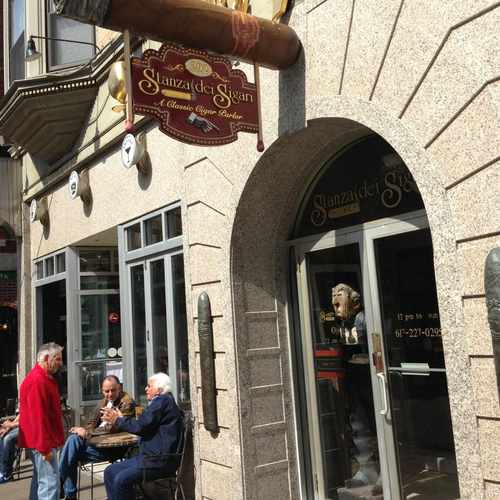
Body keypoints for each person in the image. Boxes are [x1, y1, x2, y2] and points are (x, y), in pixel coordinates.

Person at [102, 372, 183, 500]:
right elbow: (145, 425)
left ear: (159, 390)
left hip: (158, 460)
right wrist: (121, 419)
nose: (146, 389)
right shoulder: (164, 401)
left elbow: (140, 426)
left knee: (121, 480)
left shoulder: (161, 401)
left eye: (149, 386)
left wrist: (118, 420)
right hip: (149, 457)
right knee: (110, 471)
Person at [59, 375, 136, 500]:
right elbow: (90, 423)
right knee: (72, 444)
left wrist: (87, 433)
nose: (109, 394)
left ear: (119, 388)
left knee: (69, 450)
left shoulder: (126, 403)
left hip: (113, 449)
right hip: (97, 445)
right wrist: (84, 431)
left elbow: (112, 428)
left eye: (113, 390)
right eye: (106, 391)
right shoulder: (103, 402)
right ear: (102, 390)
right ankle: (68, 492)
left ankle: (66, 489)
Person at [18, 342, 65, 500]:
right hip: (43, 443)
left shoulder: (43, 379)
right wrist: (44, 448)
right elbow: (37, 417)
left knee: (42, 482)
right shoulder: (38, 381)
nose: (60, 363)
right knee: (50, 484)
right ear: (45, 358)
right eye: (57, 359)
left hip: (43, 441)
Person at [0, 413, 19, 483]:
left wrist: (11, 425)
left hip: (29, 427)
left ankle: (5, 473)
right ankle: (4, 471)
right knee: (2, 435)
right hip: (20, 426)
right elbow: (21, 415)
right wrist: (8, 428)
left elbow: (28, 421)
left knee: (8, 439)